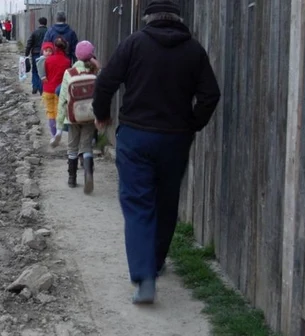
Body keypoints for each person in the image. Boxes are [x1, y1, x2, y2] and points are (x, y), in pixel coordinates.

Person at [91, 0, 220, 304]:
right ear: (178, 18)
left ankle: (144, 276)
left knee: (138, 204)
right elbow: (210, 95)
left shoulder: (133, 44)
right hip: (175, 139)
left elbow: (106, 82)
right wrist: (192, 124)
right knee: (166, 201)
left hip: (136, 136)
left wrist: (102, 114)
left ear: (147, 17)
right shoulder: (194, 50)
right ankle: (157, 262)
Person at [54, 41, 100, 194]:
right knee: (86, 146)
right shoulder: (94, 72)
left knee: (72, 147)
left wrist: (59, 126)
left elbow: (62, 100)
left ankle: (72, 178)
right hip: (89, 116)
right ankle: (88, 173)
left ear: (76, 55)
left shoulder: (70, 73)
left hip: (72, 117)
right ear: (92, 55)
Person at [42, 37, 71, 140]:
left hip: (48, 89)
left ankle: (54, 135)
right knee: (59, 112)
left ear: (54, 47)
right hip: (60, 90)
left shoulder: (47, 60)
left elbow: (43, 74)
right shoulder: (67, 61)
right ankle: (59, 131)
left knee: (50, 112)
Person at [24, 17, 48, 94]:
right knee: (43, 72)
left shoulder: (35, 32)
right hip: (46, 54)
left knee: (35, 71)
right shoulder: (49, 32)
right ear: (46, 23)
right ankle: (41, 89)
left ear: (39, 23)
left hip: (35, 54)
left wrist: (26, 54)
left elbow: (29, 43)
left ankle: (35, 87)